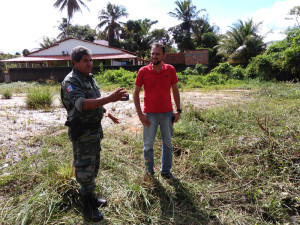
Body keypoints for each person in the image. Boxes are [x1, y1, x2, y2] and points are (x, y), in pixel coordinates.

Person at [61, 46, 128, 222]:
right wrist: (109, 98)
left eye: (91, 60)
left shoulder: (89, 78)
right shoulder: (71, 81)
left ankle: (92, 198)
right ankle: (88, 208)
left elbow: (95, 99)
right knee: (84, 170)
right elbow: (82, 104)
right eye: (85, 61)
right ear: (75, 63)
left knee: (94, 166)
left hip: (95, 130)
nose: (90, 64)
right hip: (82, 132)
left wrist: (107, 111)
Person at [133, 43, 182, 181]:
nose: (154, 56)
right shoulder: (143, 71)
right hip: (150, 115)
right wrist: (140, 114)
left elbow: (175, 90)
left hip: (167, 114)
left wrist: (178, 110)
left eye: (157, 54)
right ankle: (149, 173)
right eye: (152, 53)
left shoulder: (170, 69)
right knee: (148, 145)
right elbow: (136, 93)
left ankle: (165, 172)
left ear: (163, 55)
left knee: (167, 143)